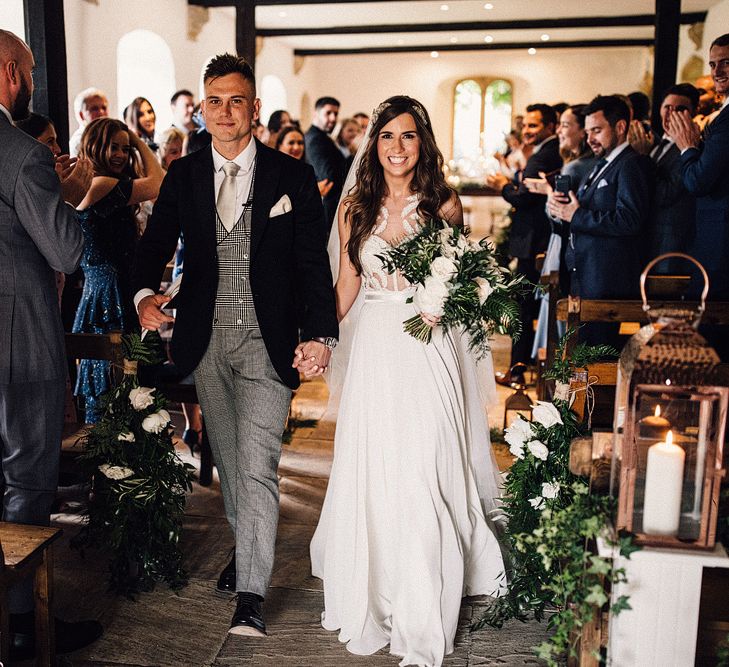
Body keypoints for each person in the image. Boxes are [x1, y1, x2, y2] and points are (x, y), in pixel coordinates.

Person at [132, 53, 338, 637]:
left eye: (237, 101)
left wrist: (320, 334)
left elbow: (310, 265)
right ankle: (248, 549)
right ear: (203, 109)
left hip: (268, 343)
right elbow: (152, 249)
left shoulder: (290, 176)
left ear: (253, 110)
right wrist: (146, 293)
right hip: (205, 340)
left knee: (259, 466)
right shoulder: (184, 173)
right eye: (214, 101)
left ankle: (251, 593)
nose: (225, 112)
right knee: (229, 462)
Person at [311, 95, 505, 667]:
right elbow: (346, 286)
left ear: (423, 144)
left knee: (426, 460)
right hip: (374, 344)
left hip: (429, 345)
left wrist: (444, 306)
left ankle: (424, 604)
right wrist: (319, 334)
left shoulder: (445, 204)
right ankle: (377, 585)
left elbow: (457, 280)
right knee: (377, 462)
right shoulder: (354, 206)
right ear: (374, 144)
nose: (398, 147)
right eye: (388, 136)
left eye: (409, 136)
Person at [0, 28, 102, 661]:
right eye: (29, 72)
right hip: (18, 344)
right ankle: (20, 623)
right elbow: (64, 249)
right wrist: (68, 196)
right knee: (24, 480)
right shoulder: (20, 154)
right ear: (12, 73)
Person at [73, 117, 165, 422]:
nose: (121, 155)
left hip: (117, 288)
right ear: (95, 145)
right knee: (116, 385)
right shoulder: (100, 184)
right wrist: (139, 141)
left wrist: (132, 141)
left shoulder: (107, 184)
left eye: (125, 149)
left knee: (134, 386)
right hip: (110, 294)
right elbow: (158, 181)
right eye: (114, 147)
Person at [547, 94, 652, 347]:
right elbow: (579, 213)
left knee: (598, 358)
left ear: (620, 127)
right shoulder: (600, 165)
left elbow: (630, 219)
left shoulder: (631, 164)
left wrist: (576, 215)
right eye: (588, 131)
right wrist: (560, 213)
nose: (590, 138)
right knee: (583, 355)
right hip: (586, 277)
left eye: (597, 130)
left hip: (607, 281)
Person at [486, 103, 562, 385]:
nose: (527, 131)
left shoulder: (545, 155)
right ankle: (521, 366)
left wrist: (503, 186)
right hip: (534, 240)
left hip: (534, 242)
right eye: (525, 126)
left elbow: (523, 198)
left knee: (522, 307)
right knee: (526, 305)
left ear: (551, 127)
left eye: (534, 125)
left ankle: (517, 370)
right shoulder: (546, 152)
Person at [666, 33, 729, 358]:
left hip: (720, 252)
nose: (718, 71)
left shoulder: (726, 122)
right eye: (713, 64)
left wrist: (688, 147)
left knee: (711, 350)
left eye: (726, 63)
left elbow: (698, 181)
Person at [526, 103, 596, 357]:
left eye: (566, 126)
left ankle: (556, 373)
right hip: (572, 244)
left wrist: (548, 195)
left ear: (583, 131)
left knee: (558, 314)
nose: (560, 133)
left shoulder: (575, 168)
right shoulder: (586, 163)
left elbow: (559, 219)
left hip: (564, 244)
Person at [646, 84, 700, 273]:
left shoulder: (692, 149)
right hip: (646, 240)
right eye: (667, 108)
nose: (672, 114)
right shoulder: (656, 145)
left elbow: (666, 194)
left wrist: (644, 158)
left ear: (694, 112)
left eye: (680, 109)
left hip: (670, 246)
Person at [305, 96, 345, 233]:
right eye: (328, 113)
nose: (333, 118)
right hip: (328, 208)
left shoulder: (321, 137)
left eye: (336, 113)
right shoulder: (316, 139)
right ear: (316, 114)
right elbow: (327, 177)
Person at [276, 125, 333, 198]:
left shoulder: (307, 172)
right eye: (291, 143)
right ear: (280, 145)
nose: (296, 147)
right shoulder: (274, 172)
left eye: (300, 143)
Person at [69, 86, 109, 156]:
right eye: (94, 109)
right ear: (81, 115)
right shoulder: (79, 141)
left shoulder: (110, 134)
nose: (101, 112)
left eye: (104, 108)